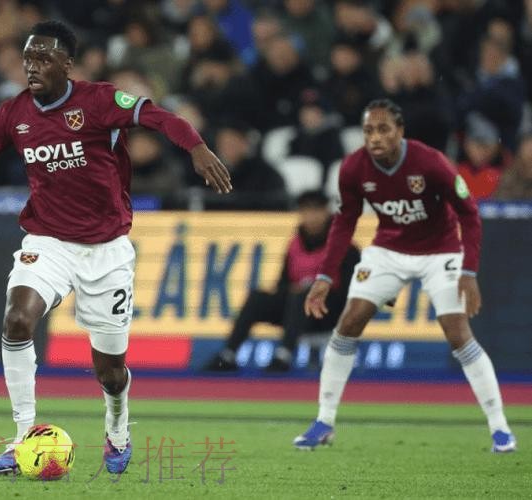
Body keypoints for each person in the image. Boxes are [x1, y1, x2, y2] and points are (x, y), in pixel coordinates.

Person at [0, 21, 231, 475]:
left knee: (110, 372)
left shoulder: (100, 101)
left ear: (67, 64)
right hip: (48, 242)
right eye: (28, 58)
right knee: (17, 318)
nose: (32, 66)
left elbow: (161, 118)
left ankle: (117, 423)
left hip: (107, 251)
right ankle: (21, 436)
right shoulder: (12, 114)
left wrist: (197, 148)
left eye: (44, 58)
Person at [295, 99, 516, 453]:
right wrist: (325, 276)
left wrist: (469, 271)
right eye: (369, 130)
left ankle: (500, 429)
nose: (375, 137)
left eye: (383, 129)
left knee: (458, 333)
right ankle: (324, 421)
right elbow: (345, 222)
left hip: (440, 251)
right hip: (389, 250)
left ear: (400, 131)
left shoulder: (430, 162)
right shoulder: (353, 168)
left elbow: (469, 214)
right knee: (349, 322)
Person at [204, 191, 359, 373]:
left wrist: (313, 291)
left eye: (316, 211)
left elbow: (349, 292)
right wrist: (294, 291)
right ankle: (228, 354)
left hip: (328, 312)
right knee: (257, 298)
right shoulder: (295, 245)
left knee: (303, 295)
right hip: (296, 310)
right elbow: (283, 284)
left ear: (327, 212)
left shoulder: (346, 247)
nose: (311, 217)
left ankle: (284, 354)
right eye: (306, 211)